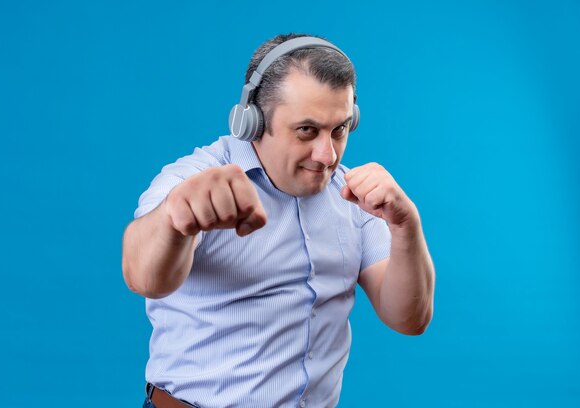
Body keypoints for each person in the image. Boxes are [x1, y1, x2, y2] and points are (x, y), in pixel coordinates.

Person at [122, 33, 435, 408]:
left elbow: (409, 318)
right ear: (252, 121)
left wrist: (406, 227)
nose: (326, 154)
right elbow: (143, 277)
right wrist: (177, 219)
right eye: (307, 130)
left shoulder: (355, 197)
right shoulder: (193, 182)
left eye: (340, 129)